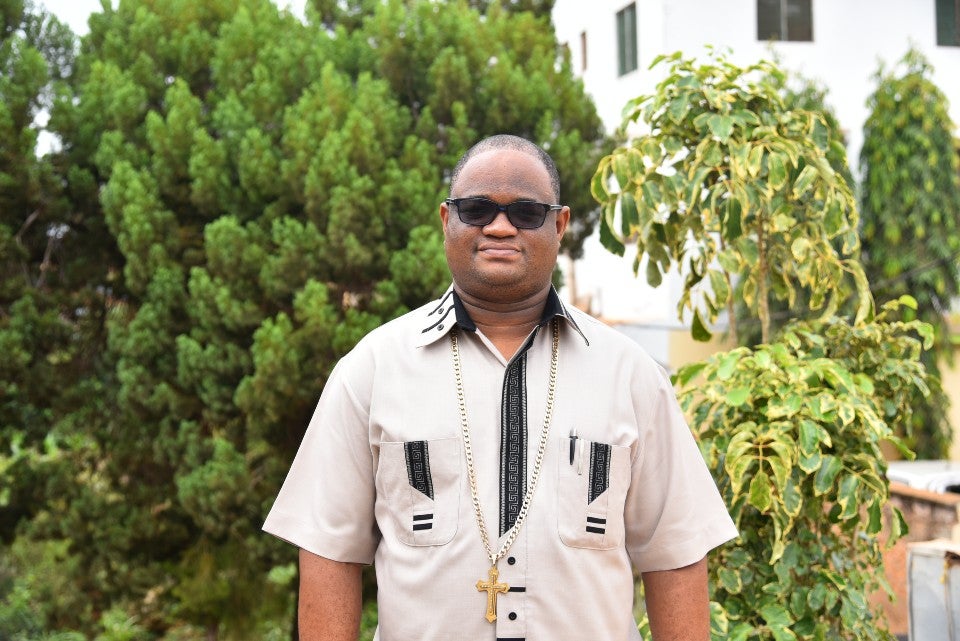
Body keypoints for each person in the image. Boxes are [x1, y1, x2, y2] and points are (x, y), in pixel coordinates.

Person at [263, 134, 738, 641]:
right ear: (448, 221)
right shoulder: (372, 370)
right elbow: (327, 550)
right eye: (477, 209)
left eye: (526, 213)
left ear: (559, 225)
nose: (499, 226)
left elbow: (677, 554)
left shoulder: (630, 376)